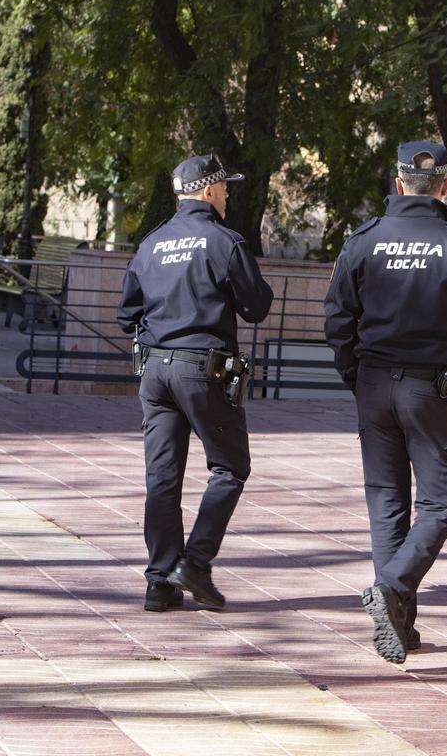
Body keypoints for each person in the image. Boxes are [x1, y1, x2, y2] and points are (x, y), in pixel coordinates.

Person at [324, 140, 447, 664]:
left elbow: (336, 317)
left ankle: (399, 624)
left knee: (388, 502)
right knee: (441, 503)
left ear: (398, 183)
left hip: (373, 384)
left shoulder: (363, 241)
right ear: (446, 186)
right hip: (430, 389)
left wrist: (355, 374)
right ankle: (391, 588)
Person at [117, 154, 273, 613]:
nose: (227, 195)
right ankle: (196, 563)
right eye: (224, 188)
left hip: (154, 371)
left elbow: (126, 314)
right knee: (230, 467)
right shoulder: (223, 241)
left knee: (161, 479)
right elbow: (257, 305)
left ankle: (160, 582)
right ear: (208, 191)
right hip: (202, 369)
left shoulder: (152, 244)